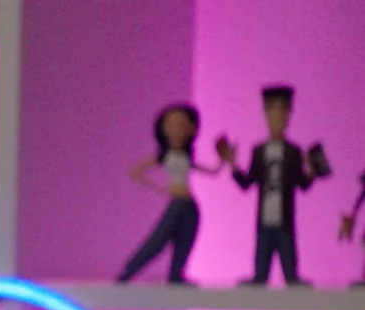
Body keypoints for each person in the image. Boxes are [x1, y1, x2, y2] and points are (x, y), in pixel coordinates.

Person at [219, 85, 326, 287]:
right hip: (264, 218)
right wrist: (233, 165)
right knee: (261, 260)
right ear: (266, 117)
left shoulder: (294, 151)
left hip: (284, 217)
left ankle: (292, 280)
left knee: (289, 260)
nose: (276, 121)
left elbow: (303, 185)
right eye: (272, 115)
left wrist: (312, 171)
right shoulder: (258, 151)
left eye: (281, 116)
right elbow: (246, 183)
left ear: (288, 118)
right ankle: (259, 278)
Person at [118, 103, 224, 285]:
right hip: (177, 203)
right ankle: (129, 271)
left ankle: (176, 275)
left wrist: (222, 160)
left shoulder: (186, 157)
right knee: (157, 240)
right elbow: (135, 172)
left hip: (190, 205)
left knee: (185, 240)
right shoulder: (164, 157)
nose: (177, 130)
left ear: (191, 129)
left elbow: (211, 171)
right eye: (171, 125)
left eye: (182, 125)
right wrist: (161, 188)